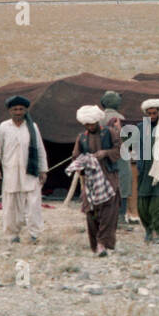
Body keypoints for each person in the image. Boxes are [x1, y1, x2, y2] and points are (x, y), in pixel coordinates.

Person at [0, 95, 47, 243]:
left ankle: (35, 235)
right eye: (15, 109)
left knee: (34, 205)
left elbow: (40, 149)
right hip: (11, 173)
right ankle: (12, 235)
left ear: (26, 110)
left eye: (21, 109)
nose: (18, 112)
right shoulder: (4, 127)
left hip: (30, 173)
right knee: (10, 206)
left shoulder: (32, 127)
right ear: (10, 111)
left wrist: (43, 170)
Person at [69, 105, 121, 256]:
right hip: (90, 180)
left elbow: (119, 150)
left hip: (109, 176)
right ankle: (95, 244)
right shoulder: (82, 137)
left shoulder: (109, 132)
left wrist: (106, 153)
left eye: (92, 124)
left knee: (108, 212)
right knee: (91, 212)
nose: (90, 126)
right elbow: (75, 156)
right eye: (87, 124)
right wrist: (83, 162)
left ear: (98, 121)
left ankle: (102, 244)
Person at [136, 98, 159, 244]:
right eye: (149, 113)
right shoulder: (140, 128)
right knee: (143, 202)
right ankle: (147, 230)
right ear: (145, 114)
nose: (152, 116)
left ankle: (156, 232)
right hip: (145, 169)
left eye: (154, 113)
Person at [100, 90, 134, 224]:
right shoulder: (119, 117)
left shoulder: (99, 117)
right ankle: (120, 219)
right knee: (123, 186)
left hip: (103, 157)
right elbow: (125, 139)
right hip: (120, 156)